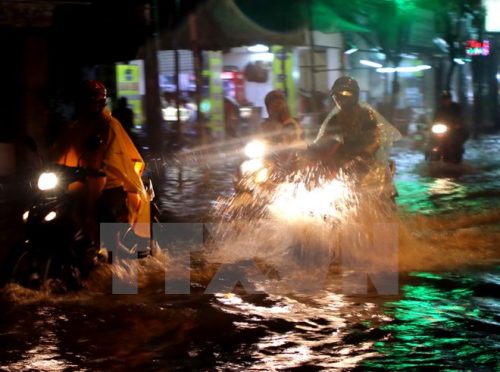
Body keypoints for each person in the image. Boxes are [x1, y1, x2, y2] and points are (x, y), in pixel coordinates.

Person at [51, 80, 150, 251]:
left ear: (100, 102)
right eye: (83, 100)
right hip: (81, 181)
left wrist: (100, 169)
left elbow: (113, 159)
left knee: (104, 211)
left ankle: (113, 256)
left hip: (111, 184)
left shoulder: (109, 125)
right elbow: (60, 150)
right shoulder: (76, 126)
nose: (85, 104)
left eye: (89, 100)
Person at [433, 90, 469, 162]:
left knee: (459, 137)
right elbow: (435, 119)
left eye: (447, 99)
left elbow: (460, 116)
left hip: (454, 129)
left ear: (450, 99)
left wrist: (457, 124)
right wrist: (432, 125)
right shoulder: (440, 109)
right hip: (442, 129)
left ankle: (458, 151)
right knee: (432, 138)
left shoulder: (456, 107)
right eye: (444, 99)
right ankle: (432, 154)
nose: (446, 101)